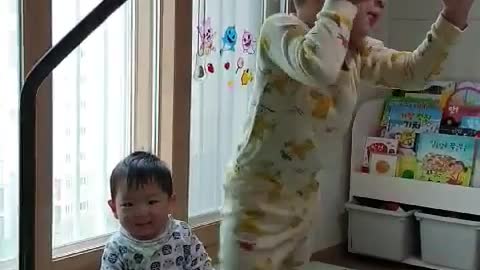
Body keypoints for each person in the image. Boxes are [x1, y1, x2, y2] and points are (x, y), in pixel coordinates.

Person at [219, 0, 473, 269]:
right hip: (256, 201)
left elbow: (414, 73)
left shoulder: (358, 51)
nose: (381, 3)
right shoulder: (281, 29)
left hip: (303, 198)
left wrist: (453, 16)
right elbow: (318, 64)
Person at [101, 151, 213, 270]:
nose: (141, 212)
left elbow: (202, 266)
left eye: (152, 202)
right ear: (114, 209)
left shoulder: (182, 234)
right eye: (128, 204)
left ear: (170, 202)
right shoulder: (116, 248)